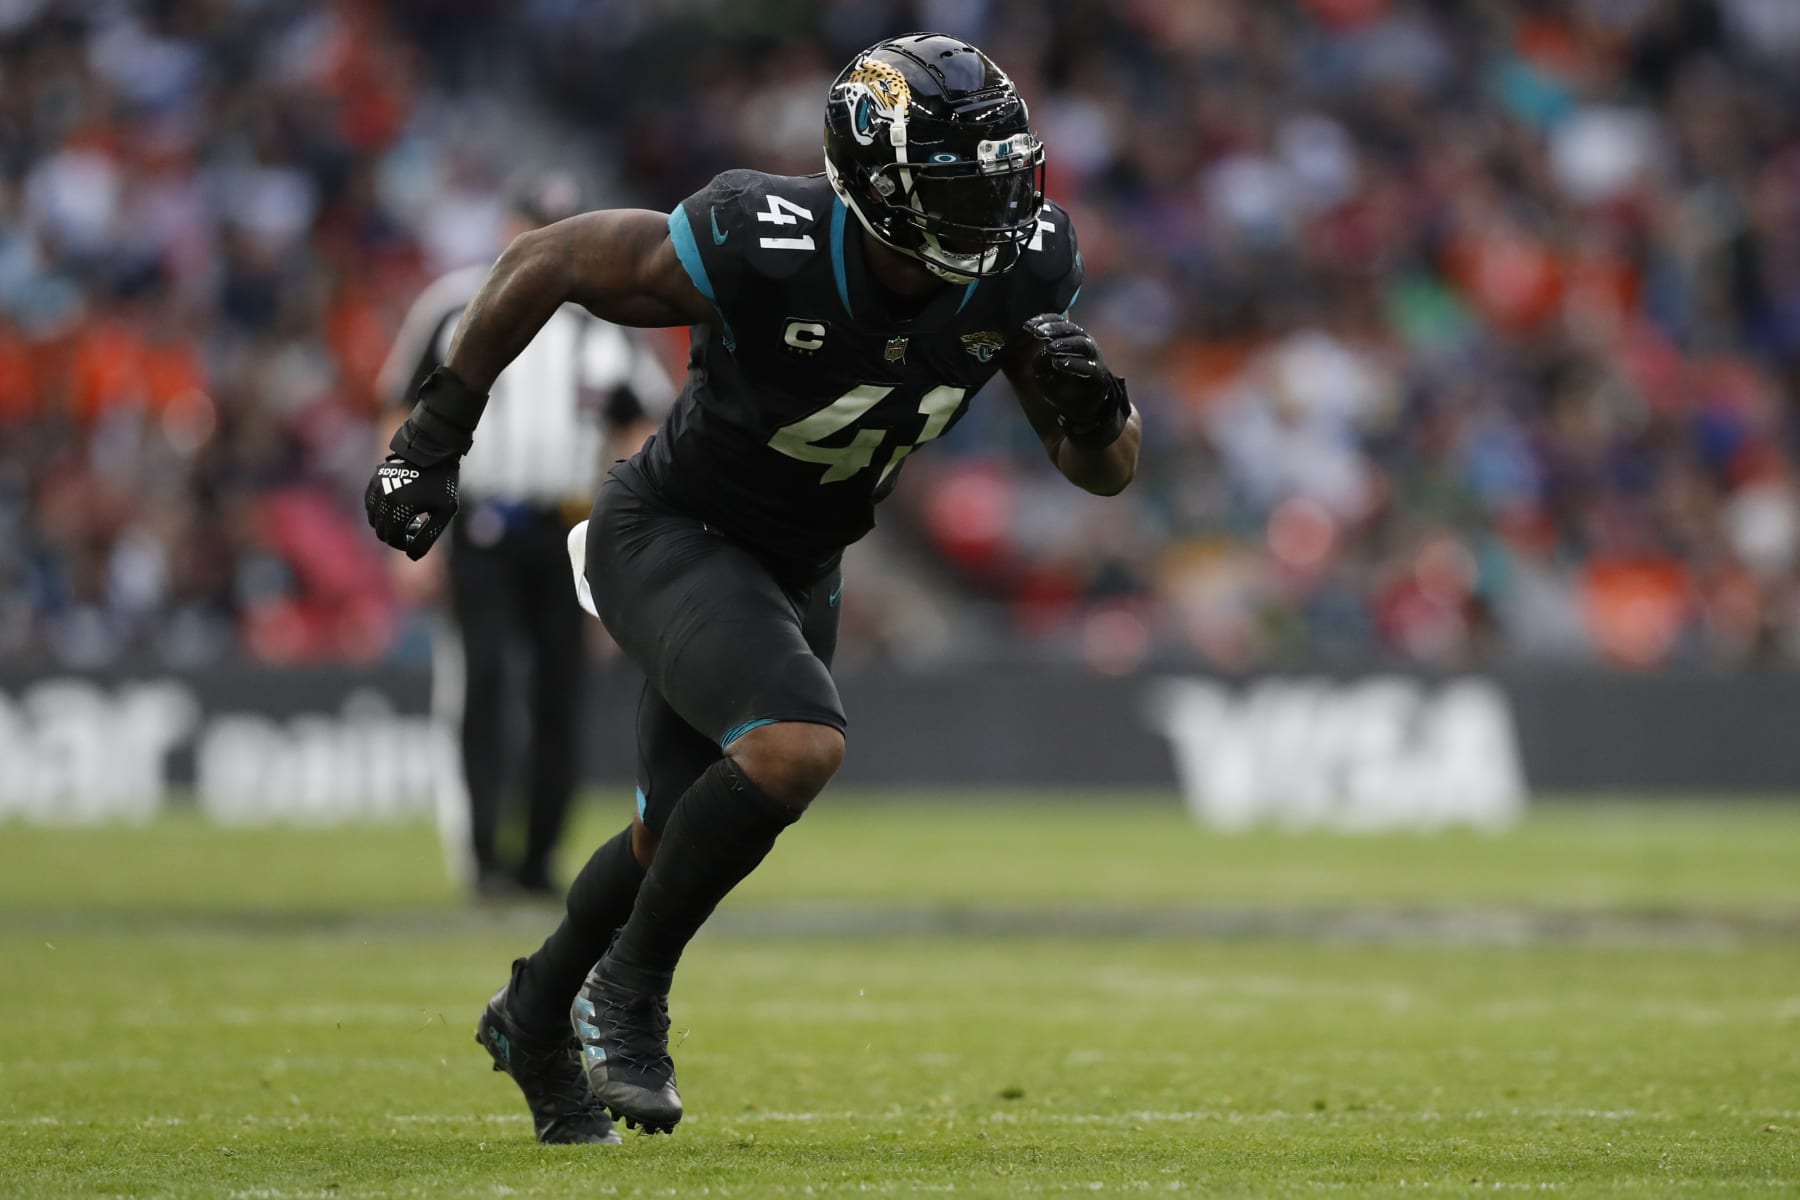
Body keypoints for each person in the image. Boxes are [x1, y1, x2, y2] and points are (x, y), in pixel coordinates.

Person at [364, 33, 1140, 1145]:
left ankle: (533, 1013)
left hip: (797, 560)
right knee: (796, 742)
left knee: (667, 831)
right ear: (883, 185)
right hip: (668, 527)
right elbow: (551, 257)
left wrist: (1100, 410)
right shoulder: (763, 238)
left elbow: (1102, 473)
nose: (1003, 205)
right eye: (969, 182)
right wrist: (437, 431)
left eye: (1007, 174)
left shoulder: (1020, 267)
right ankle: (624, 995)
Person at [379, 176, 672, 899]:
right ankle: (482, 859)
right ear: (506, 222)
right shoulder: (453, 305)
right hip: (480, 521)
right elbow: (401, 411)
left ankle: (538, 857)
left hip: (568, 528)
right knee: (482, 684)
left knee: (560, 693)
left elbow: (642, 431)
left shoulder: (604, 323)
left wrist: (622, 540)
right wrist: (405, 530)